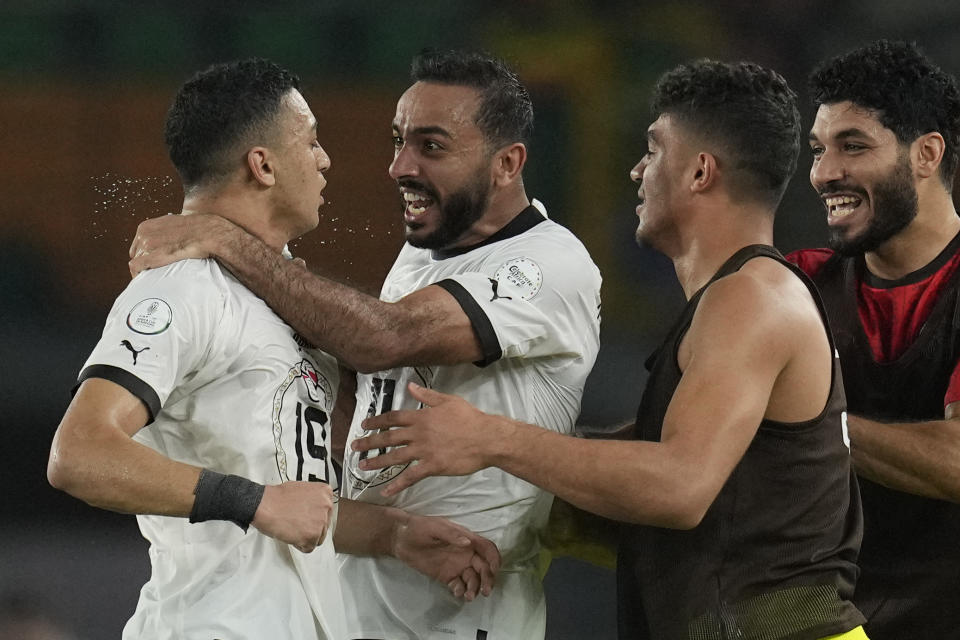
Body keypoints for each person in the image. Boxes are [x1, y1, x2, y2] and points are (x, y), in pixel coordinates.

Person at [354, 60, 869, 640]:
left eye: (652, 151)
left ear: (700, 172)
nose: (635, 171)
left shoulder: (752, 297)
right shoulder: (736, 300)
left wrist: (493, 438)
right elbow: (687, 500)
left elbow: (678, 487)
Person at [128, 50, 602, 640]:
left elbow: (385, 337)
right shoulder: (420, 258)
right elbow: (363, 399)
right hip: (365, 595)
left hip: (463, 610)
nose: (399, 166)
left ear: (506, 163)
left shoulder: (549, 264)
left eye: (431, 147)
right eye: (398, 140)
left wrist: (225, 238)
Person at [48, 58, 498, 640]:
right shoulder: (181, 288)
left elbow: (292, 504)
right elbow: (77, 454)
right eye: (310, 141)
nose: (324, 158)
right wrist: (252, 499)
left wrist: (392, 534)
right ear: (261, 165)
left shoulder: (277, 296)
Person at [789, 40, 960, 639]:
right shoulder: (796, 281)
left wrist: (794, 420)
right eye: (818, 149)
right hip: (817, 619)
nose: (823, 172)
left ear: (926, 154)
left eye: (853, 145)